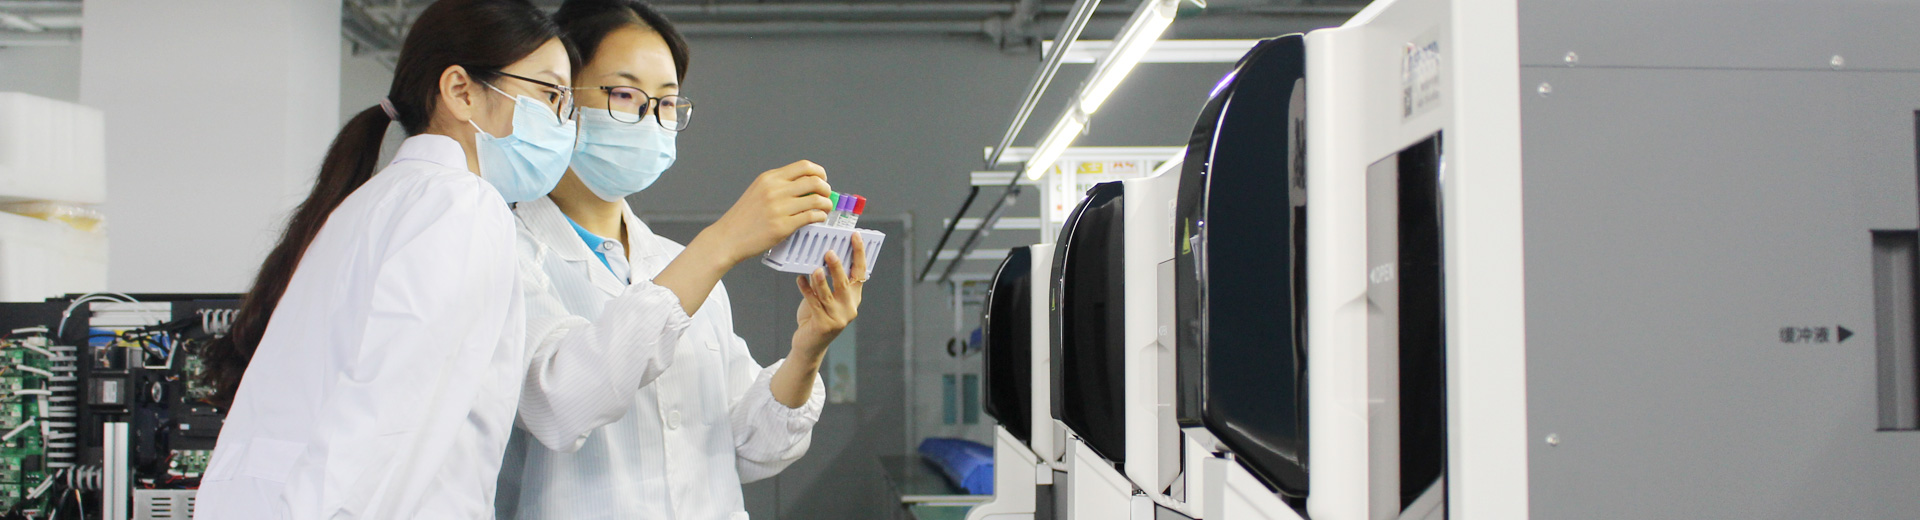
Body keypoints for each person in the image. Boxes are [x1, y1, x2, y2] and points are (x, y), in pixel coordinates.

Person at [194, 0, 578, 517]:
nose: (564, 122)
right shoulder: (459, 203)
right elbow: (389, 420)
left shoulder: (370, 202)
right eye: (551, 94)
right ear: (460, 90)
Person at [493, 1, 865, 518]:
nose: (650, 119)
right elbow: (559, 404)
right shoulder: (506, 251)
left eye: (667, 102)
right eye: (624, 94)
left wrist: (807, 350)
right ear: (561, 97)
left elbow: (753, 448)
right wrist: (722, 242)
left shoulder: (679, 265)